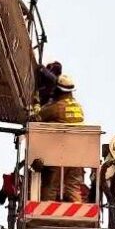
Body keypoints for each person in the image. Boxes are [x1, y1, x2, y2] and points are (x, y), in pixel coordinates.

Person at [35, 74, 86, 202]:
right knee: (73, 186)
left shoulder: (57, 107)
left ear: (58, 90)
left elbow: (37, 116)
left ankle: (46, 211)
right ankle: (77, 213)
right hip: (78, 156)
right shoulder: (79, 108)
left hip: (59, 154)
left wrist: (36, 102)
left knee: (50, 185)